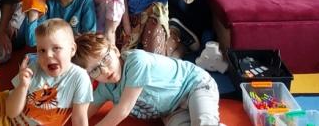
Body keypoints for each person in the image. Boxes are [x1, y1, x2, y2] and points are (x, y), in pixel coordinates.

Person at [73, 33, 220, 126]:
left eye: (106, 59)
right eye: (94, 70)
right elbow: (81, 113)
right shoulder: (106, 88)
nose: (104, 70)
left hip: (194, 85)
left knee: (203, 123)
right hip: (171, 111)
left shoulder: (136, 61)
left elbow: (123, 109)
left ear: (115, 50)